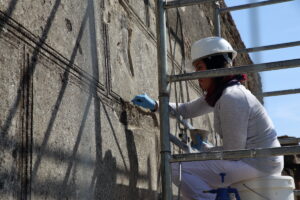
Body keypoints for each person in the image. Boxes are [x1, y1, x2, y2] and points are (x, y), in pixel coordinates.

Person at [131, 37, 283, 200]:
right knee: (196, 173)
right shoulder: (221, 93)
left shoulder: (232, 98)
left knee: (177, 168)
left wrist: (205, 149)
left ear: (214, 66)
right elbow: (186, 110)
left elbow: (233, 153)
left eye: (200, 68)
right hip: (256, 161)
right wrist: (155, 105)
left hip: (258, 163)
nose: (197, 75)